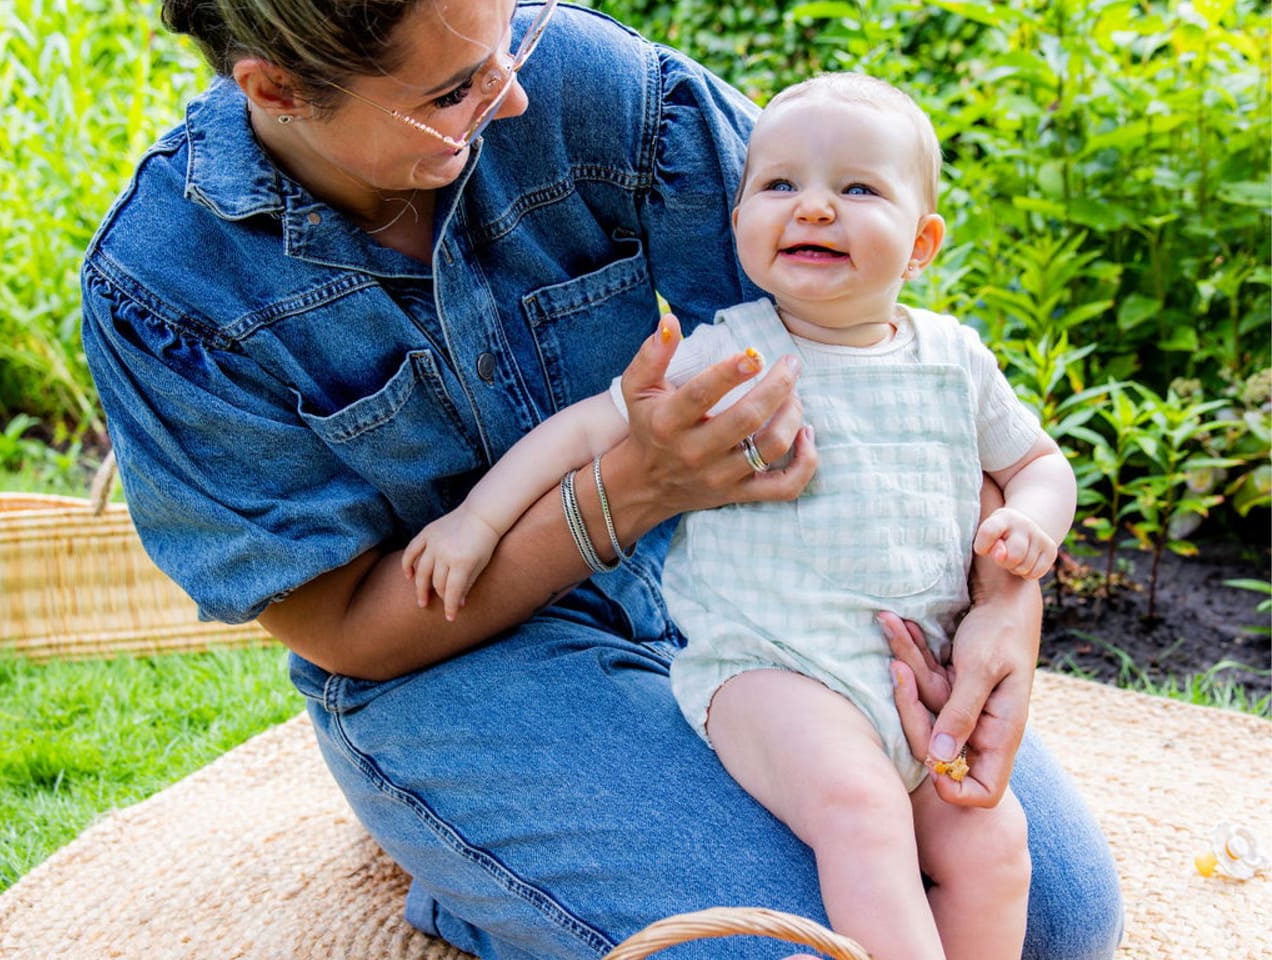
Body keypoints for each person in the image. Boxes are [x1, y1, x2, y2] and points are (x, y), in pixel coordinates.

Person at [81, 2, 1122, 957]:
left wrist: (1001, 608)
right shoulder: (168, 286)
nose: (516, 97)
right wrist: (636, 488)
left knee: (1056, 915)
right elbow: (345, 625)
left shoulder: (594, 87)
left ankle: (547, 868)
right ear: (272, 91)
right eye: (454, 92)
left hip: (749, 599)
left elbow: (867, 343)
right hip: (458, 666)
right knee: (781, 949)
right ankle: (485, 860)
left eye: (509, 48)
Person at [402, 72, 1076, 959]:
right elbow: (586, 429)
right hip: (773, 671)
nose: (816, 209)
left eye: (858, 189)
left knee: (995, 844)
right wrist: (477, 522)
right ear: (739, 220)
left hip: (918, 670)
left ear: (921, 244)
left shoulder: (953, 357)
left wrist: (1031, 523)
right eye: (780, 185)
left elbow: (1036, 462)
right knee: (860, 812)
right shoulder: (735, 351)